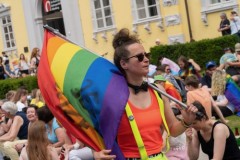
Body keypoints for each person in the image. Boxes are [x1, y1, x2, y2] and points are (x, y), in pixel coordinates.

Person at [93, 28, 198, 159]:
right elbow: (93, 129)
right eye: (140, 57)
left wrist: (186, 122)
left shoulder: (158, 92)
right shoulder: (112, 97)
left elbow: (173, 129)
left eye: (146, 55)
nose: (146, 60)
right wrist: (95, 152)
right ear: (124, 63)